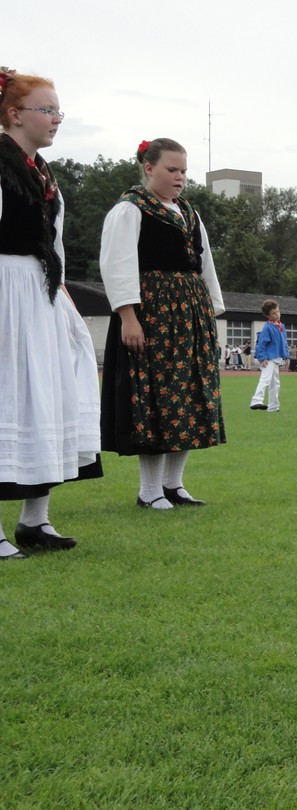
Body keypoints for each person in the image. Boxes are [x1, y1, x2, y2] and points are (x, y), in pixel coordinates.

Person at [0, 66, 101, 558]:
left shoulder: (44, 175)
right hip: (5, 290)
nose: (57, 118)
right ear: (15, 114)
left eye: (60, 111)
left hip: (41, 293)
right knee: (7, 396)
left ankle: (35, 520)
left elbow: (54, 244)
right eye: (48, 110)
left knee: (47, 396)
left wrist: (62, 298)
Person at [99, 138, 225, 509]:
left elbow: (204, 265)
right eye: (172, 169)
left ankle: (174, 484)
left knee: (189, 395)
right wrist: (128, 317)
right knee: (154, 397)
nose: (180, 177)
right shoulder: (130, 208)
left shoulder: (189, 212)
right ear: (149, 168)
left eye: (183, 170)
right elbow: (116, 263)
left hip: (189, 314)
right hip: (151, 312)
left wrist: (210, 312)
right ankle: (150, 490)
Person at [249, 299, 289, 412]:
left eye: (278, 312)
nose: (277, 315)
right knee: (265, 379)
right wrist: (262, 358)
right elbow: (261, 344)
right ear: (268, 315)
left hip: (276, 357)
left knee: (275, 383)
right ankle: (256, 400)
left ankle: (273, 406)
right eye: (274, 313)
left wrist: (286, 356)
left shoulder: (281, 326)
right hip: (269, 358)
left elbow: (284, 343)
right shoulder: (267, 327)